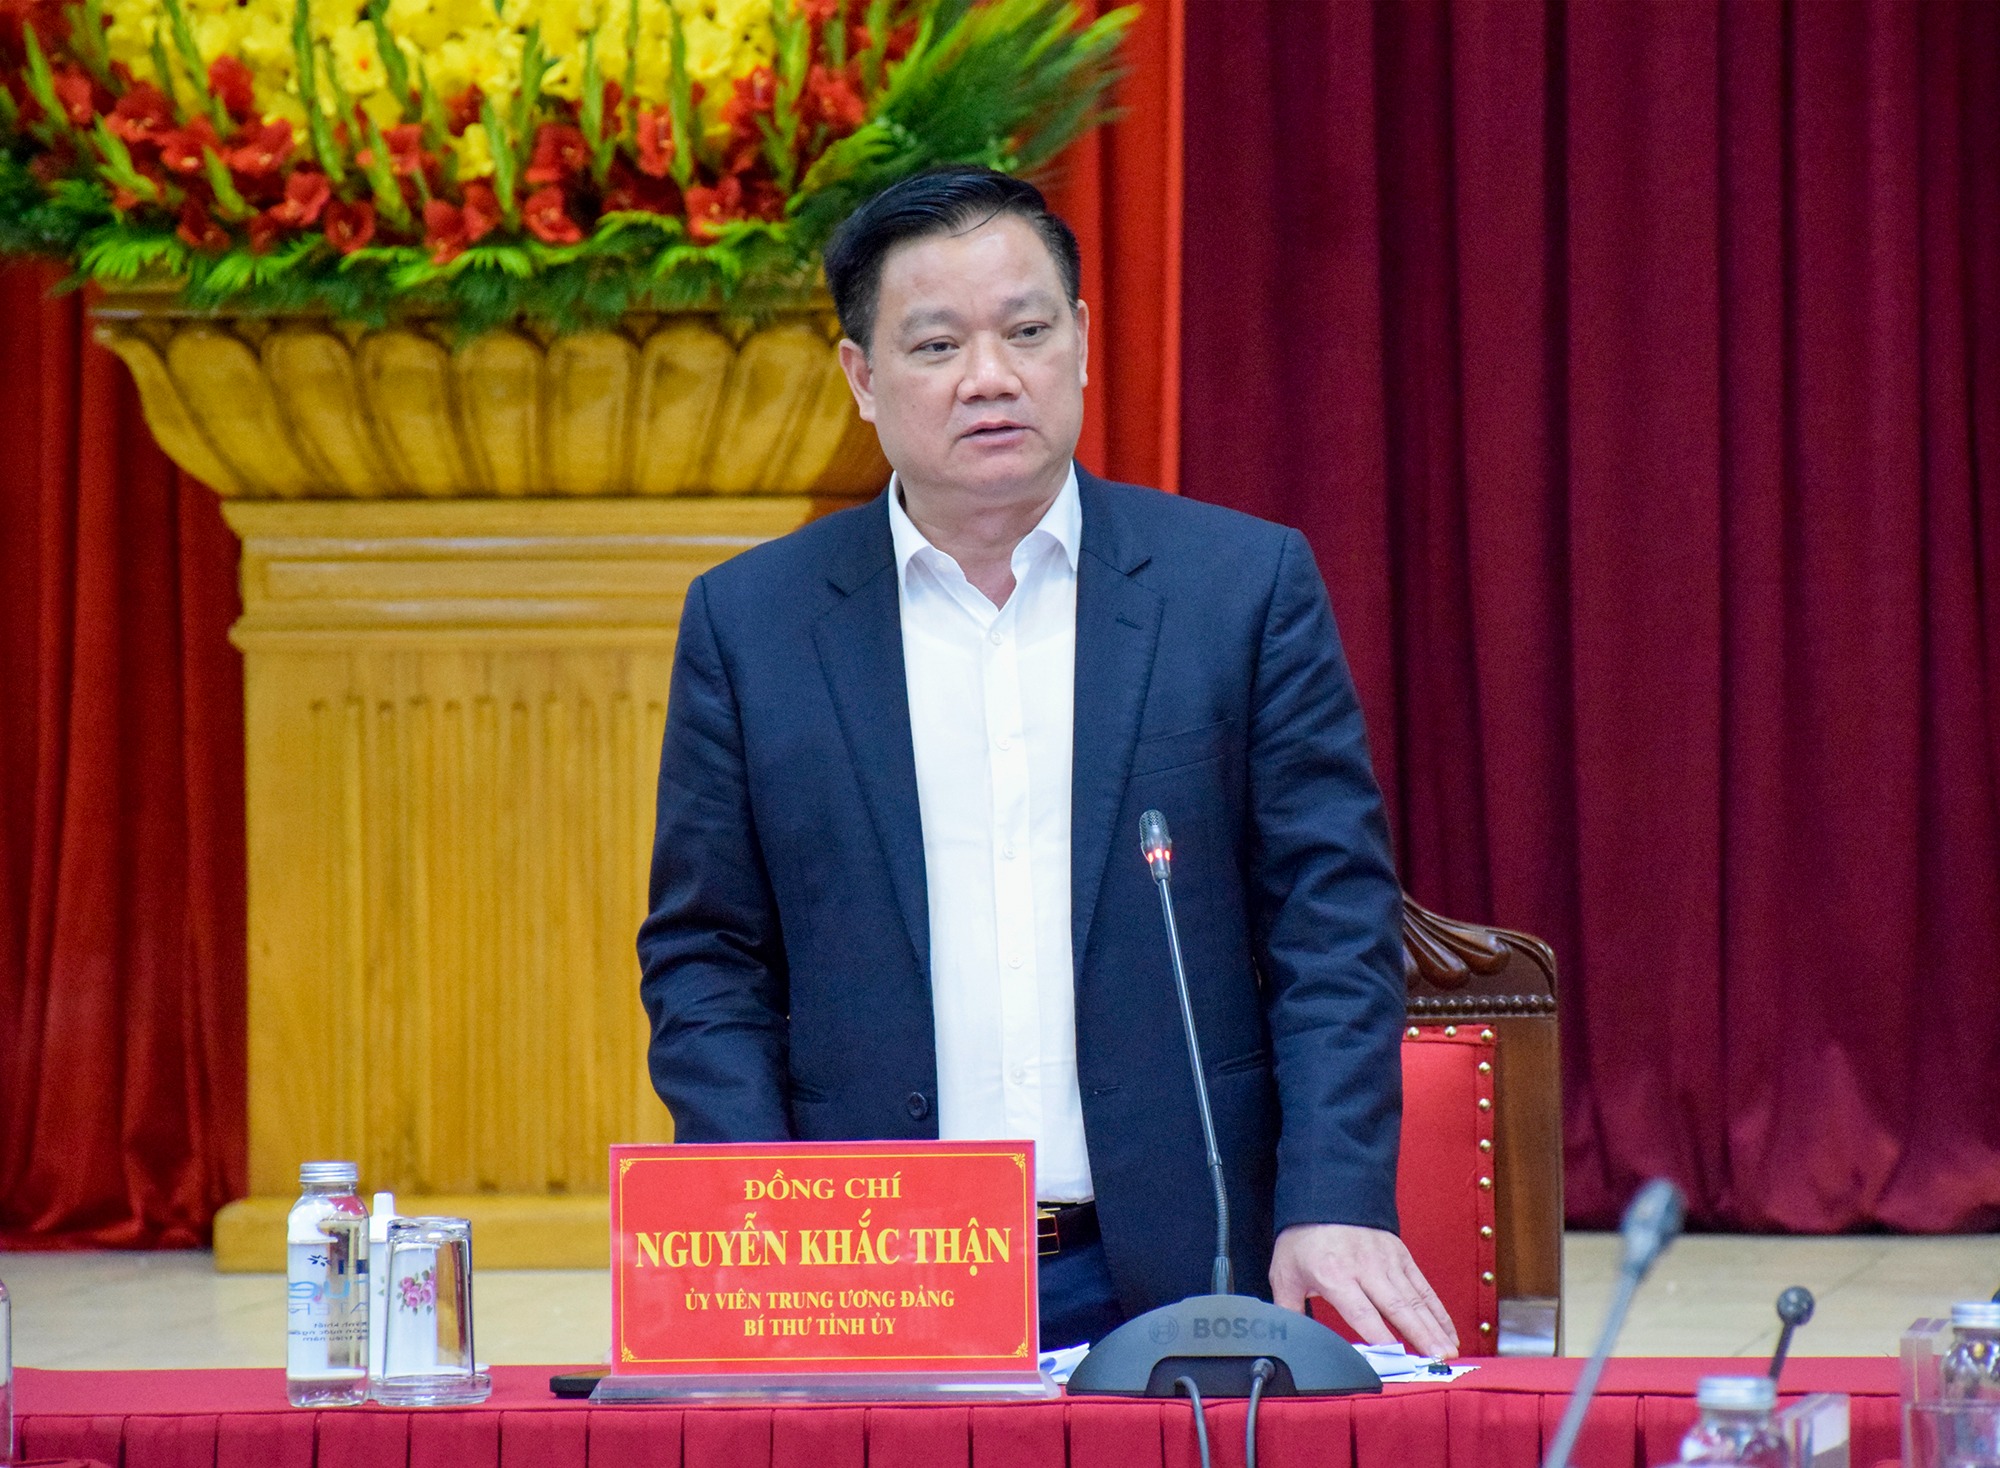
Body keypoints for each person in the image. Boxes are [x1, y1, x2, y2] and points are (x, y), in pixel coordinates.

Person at [637, 166, 1456, 1359]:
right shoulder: (752, 624)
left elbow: (1328, 923)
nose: (989, 375)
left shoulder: (1237, 590)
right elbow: (707, 955)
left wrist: (1332, 1193)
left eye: (1025, 331)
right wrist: (755, 1212)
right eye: (936, 345)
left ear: (1077, 340)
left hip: (1191, 1263)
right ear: (859, 377)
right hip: (866, 1276)